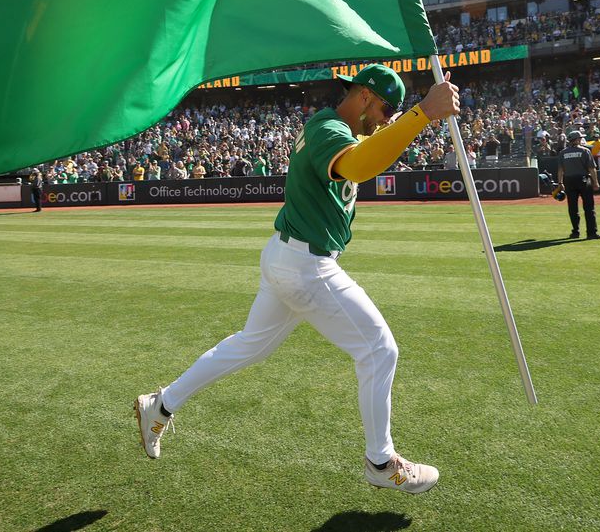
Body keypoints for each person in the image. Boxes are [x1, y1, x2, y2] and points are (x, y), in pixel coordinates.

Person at [134, 65, 460, 496]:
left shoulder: (341, 127)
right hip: (307, 264)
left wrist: (417, 117)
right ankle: (381, 462)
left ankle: (161, 405)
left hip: (286, 255)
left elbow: (372, 143)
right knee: (380, 351)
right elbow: (360, 165)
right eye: (383, 108)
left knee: (249, 345)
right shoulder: (328, 127)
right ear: (363, 97)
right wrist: (421, 113)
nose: (385, 118)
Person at [560, 130, 600, 240]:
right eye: (580, 138)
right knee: (589, 207)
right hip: (583, 180)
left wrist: (560, 183)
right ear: (577, 140)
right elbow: (591, 168)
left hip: (569, 181)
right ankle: (591, 233)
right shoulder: (585, 151)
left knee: (573, 208)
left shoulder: (563, 153)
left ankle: (575, 232)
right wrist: (596, 182)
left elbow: (560, 170)